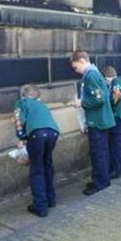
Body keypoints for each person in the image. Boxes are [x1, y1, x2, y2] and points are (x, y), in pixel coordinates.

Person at [70, 50, 115, 196]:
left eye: (76, 67)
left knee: (98, 153)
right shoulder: (95, 73)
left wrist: (80, 102)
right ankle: (103, 179)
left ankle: (100, 183)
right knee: (102, 152)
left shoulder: (90, 75)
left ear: (82, 61)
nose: (76, 71)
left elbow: (99, 99)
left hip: (97, 121)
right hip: (101, 119)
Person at [13, 84, 60, 217]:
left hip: (37, 135)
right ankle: (50, 199)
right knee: (48, 165)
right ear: (37, 96)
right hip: (53, 133)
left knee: (37, 169)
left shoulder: (21, 102)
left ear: (23, 94)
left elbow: (18, 121)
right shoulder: (42, 105)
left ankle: (40, 206)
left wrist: (21, 137)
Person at [102, 66, 121, 179]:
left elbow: (117, 95)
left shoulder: (116, 82)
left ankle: (116, 169)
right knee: (117, 143)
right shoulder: (118, 81)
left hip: (118, 116)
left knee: (114, 144)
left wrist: (112, 100)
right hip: (120, 116)